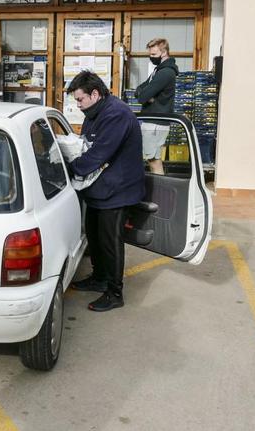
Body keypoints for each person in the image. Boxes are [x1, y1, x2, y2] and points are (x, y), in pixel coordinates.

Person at [67, 71, 146, 312]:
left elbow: (98, 153)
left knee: (111, 241)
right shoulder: (94, 112)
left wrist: (67, 169)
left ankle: (114, 292)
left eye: (80, 100)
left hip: (118, 190)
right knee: (94, 234)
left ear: (95, 93)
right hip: (100, 187)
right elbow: (85, 145)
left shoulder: (116, 114)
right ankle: (99, 278)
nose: (78, 105)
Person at [134, 38, 178, 175]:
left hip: (155, 123)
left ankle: (159, 194)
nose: (151, 58)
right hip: (153, 122)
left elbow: (142, 97)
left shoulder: (165, 73)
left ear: (164, 52)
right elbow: (140, 89)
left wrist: (147, 95)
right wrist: (147, 95)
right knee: (152, 159)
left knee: (154, 161)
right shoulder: (158, 71)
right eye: (150, 54)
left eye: (153, 55)